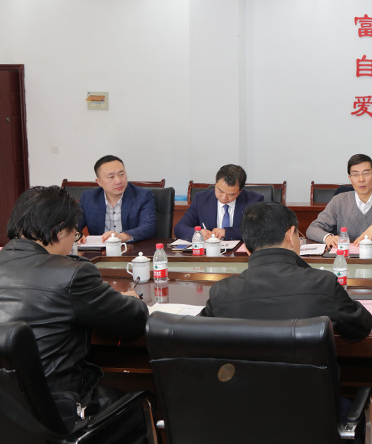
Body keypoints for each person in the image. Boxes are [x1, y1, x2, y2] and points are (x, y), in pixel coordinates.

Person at [0, 186, 149, 438]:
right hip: (56, 414)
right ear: (58, 230)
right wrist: (132, 301)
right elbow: (134, 321)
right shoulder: (71, 273)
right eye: (75, 233)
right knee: (141, 408)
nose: (75, 241)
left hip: (8, 415)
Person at [200, 202, 372, 342]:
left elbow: (196, 335)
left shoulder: (221, 293)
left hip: (243, 377)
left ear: (246, 247)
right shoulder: (323, 284)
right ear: (291, 235)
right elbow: (360, 327)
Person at [306, 154, 372, 247]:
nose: (361, 179)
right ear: (350, 178)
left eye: (366, 173)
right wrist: (328, 238)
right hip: (348, 259)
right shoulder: (339, 201)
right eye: (355, 174)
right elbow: (312, 229)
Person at [77, 155, 156, 242]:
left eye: (121, 174)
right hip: (99, 249)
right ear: (99, 182)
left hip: (131, 248)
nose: (118, 181)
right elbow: (73, 225)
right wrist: (76, 234)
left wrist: (122, 236)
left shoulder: (142, 196)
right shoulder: (88, 198)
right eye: (111, 177)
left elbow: (148, 227)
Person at [174, 164, 264, 241]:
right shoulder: (201, 199)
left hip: (239, 253)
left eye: (231, 194)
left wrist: (227, 233)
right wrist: (197, 234)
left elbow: (258, 231)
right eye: (220, 191)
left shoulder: (254, 201)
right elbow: (180, 228)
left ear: (240, 191)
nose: (224, 198)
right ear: (215, 183)